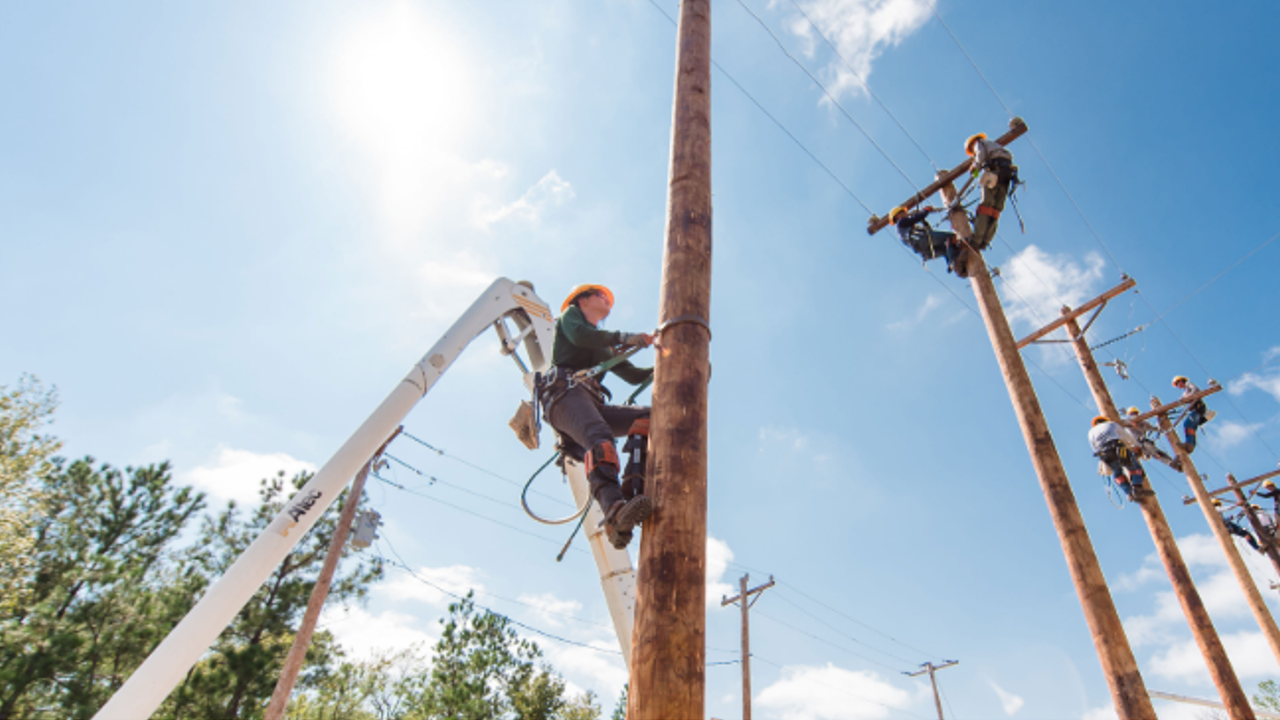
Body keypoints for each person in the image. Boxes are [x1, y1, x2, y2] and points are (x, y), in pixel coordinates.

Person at [540, 284, 655, 550]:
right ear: (583, 300)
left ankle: (633, 485)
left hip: (590, 400)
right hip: (564, 396)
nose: (607, 301)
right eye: (601, 296)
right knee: (599, 435)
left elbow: (634, 375)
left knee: (651, 417)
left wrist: (675, 362)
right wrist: (627, 337)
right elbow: (581, 337)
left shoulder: (603, 344)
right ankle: (613, 511)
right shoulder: (570, 316)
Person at [964, 133, 1016, 250]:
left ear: (972, 144)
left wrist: (975, 169)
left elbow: (980, 157)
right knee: (996, 209)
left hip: (994, 172)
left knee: (986, 207)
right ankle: (985, 241)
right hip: (1006, 174)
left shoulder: (979, 144)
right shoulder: (995, 146)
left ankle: (976, 240)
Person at [889, 205, 966, 275]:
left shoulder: (902, 231)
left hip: (923, 251)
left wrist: (922, 221)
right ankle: (955, 262)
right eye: (904, 212)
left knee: (946, 249)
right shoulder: (901, 222)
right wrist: (926, 210)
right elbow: (917, 218)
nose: (907, 213)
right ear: (899, 215)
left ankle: (953, 264)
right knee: (951, 237)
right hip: (923, 239)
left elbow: (921, 224)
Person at [1088, 415, 1147, 500]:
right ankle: (1137, 488)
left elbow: (1094, 448)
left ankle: (1129, 493)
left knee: (1117, 473)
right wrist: (1136, 446)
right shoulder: (1111, 424)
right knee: (1134, 467)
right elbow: (1126, 435)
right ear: (1105, 421)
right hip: (1118, 448)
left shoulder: (1091, 432)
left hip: (1105, 454)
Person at [1123, 406, 1183, 472]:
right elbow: (1123, 422)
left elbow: (1156, 429)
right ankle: (1172, 464)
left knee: (1159, 453)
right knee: (1156, 454)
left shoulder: (1144, 423)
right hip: (1139, 444)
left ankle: (1174, 465)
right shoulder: (1128, 423)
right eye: (1132, 414)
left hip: (1144, 442)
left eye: (1135, 413)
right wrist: (1131, 421)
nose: (1134, 415)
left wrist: (1161, 422)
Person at [1172, 376, 1215, 454]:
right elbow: (1181, 399)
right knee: (1191, 427)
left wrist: (1188, 397)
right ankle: (1190, 446)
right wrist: (1181, 401)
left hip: (1198, 408)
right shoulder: (1185, 392)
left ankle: (1190, 444)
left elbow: (1196, 389)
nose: (1177, 386)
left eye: (1177, 384)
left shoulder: (1188, 384)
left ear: (1181, 381)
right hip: (1195, 410)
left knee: (1188, 423)